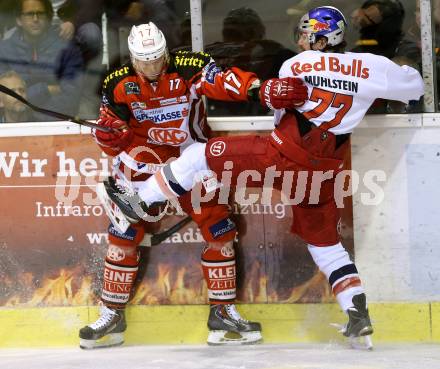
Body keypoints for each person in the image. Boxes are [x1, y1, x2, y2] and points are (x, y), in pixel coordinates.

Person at [104, 6, 424, 349]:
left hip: (281, 158)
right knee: (326, 245)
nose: (300, 40)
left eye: (305, 33)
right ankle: (356, 311)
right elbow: (416, 87)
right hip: (323, 172)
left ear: (319, 36)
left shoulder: (296, 65)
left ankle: (141, 201)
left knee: (199, 156)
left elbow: (279, 114)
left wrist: (263, 89)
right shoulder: (370, 66)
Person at [78, 22, 306, 349]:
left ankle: (222, 312)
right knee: (123, 234)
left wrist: (259, 89)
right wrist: (110, 137)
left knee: (220, 230)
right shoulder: (116, 81)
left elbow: (224, 81)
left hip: (191, 160)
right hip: (140, 164)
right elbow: (109, 131)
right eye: (144, 60)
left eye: (158, 58)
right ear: (132, 58)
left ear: (166, 53)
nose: (153, 67)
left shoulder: (189, 66)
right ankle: (111, 315)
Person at [0, 0, 83, 119]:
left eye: (40, 13)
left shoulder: (68, 49)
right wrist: (45, 89)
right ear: (19, 20)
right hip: (15, 125)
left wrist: (35, 115)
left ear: (48, 18)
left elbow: (71, 98)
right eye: (29, 14)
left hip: (54, 124)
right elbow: (4, 96)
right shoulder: (4, 50)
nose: (35, 19)